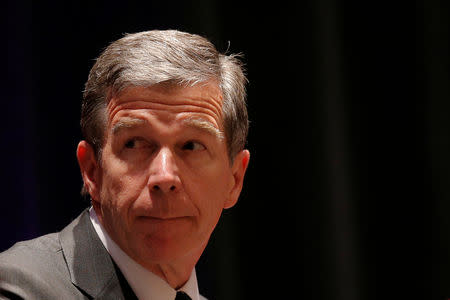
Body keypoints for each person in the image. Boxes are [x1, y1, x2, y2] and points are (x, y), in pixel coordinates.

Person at [0, 29, 250, 300]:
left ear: (234, 179)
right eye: (134, 144)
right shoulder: (20, 290)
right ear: (92, 171)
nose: (165, 176)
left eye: (191, 146)